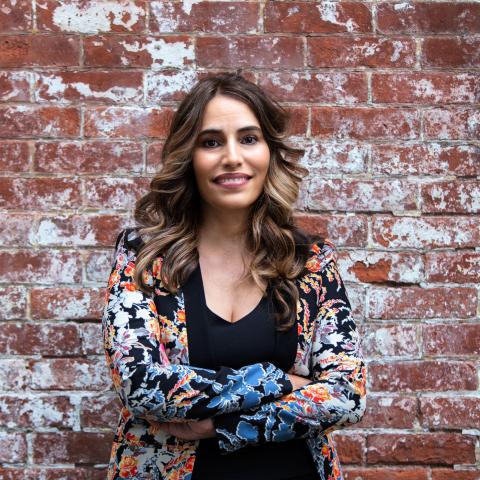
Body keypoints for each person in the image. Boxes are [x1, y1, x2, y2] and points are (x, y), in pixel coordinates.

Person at [102, 71, 366, 480]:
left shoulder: (310, 263)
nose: (231, 157)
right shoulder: (144, 258)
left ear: (269, 152)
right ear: (188, 156)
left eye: (248, 138)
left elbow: (348, 393)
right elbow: (140, 386)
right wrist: (277, 381)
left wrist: (228, 427)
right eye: (210, 141)